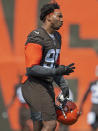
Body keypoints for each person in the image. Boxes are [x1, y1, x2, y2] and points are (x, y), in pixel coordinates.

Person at [22, 3, 75, 131]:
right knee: (51, 124)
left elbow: (54, 65)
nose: (62, 20)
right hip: (33, 85)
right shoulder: (37, 36)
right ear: (49, 17)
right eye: (59, 16)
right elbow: (32, 68)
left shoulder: (57, 37)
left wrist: (63, 84)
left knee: (38, 126)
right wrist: (56, 70)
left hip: (46, 86)